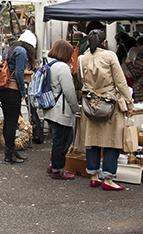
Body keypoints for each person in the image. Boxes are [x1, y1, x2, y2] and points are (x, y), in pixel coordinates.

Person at [80, 29, 134, 190]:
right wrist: (129, 103)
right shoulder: (110, 56)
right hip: (109, 103)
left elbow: (80, 80)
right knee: (112, 141)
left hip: (91, 103)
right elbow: (120, 81)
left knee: (92, 140)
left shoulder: (83, 58)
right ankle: (108, 179)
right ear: (104, 42)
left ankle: (94, 175)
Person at [42, 39, 81, 179]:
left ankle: (53, 164)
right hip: (61, 110)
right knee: (63, 139)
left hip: (50, 107)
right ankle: (58, 169)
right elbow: (69, 91)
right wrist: (76, 108)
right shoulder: (62, 67)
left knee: (59, 138)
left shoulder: (47, 63)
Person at [0, 29, 37, 163]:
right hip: (13, 90)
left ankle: (10, 151)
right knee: (12, 122)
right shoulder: (21, 52)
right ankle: (9, 155)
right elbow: (19, 74)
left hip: (3, 89)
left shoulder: (9, 49)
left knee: (7, 122)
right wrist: (23, 92)